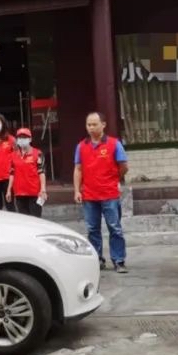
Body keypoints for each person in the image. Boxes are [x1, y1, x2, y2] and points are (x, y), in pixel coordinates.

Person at [74, 112, 129, 273]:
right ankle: (97, 260)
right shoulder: (81, 146)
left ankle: (118, 260)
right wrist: (77, 190)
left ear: (103, 125)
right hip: (89, 195)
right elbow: (78, 169)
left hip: (109, 194)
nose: (91, 128)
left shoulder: (114, 144)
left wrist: (113, 178)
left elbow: (124, 166)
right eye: (88, 125)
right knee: (92, 229)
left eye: (94, 124)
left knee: (115, 228)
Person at [6, 127, 47, 217]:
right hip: (19, 194)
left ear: (30, 139)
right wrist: (9, 190)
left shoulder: (38, 153)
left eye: (25, 137)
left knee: (36, 220)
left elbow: (41, 172)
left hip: (35, 194)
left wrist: (43, 189)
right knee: (25, 221)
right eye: (20, 137)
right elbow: (12, 173)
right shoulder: (13, 155)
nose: (22, 139)